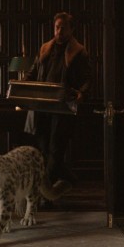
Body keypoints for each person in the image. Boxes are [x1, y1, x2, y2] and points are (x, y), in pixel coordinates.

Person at [23, 11, 92, 197]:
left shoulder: (79, 52)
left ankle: (43, 195)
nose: (59, 31)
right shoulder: (45, 48)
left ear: (71, 29)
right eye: (57, 27)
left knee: (55, 151)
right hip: (42, 108)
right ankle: (69, 179)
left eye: (63, 27)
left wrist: (81, 93)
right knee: (44, 151)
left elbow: (87, 79)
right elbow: (33, 72)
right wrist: (21, 86)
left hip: (63, 109)